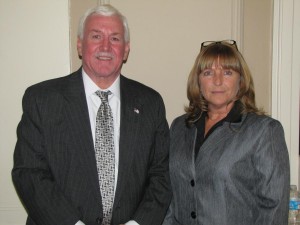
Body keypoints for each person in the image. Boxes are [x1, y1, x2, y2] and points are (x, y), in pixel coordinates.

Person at [12, 4, 171, 225]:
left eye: (115, 39)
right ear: (80, 45)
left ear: (126, 49)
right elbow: (29, 173)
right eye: (96, 36)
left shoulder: (151, 103)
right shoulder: (42, 100)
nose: (105, 46)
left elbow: (161, 176)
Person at [162, 40, 290, 225]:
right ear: (198, 81)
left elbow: (274, 209)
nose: (217, 81)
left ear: (241, 81)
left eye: (227, 72)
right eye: (208, 73)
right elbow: (170, 197)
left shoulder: (264, 131)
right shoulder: (179, 127)